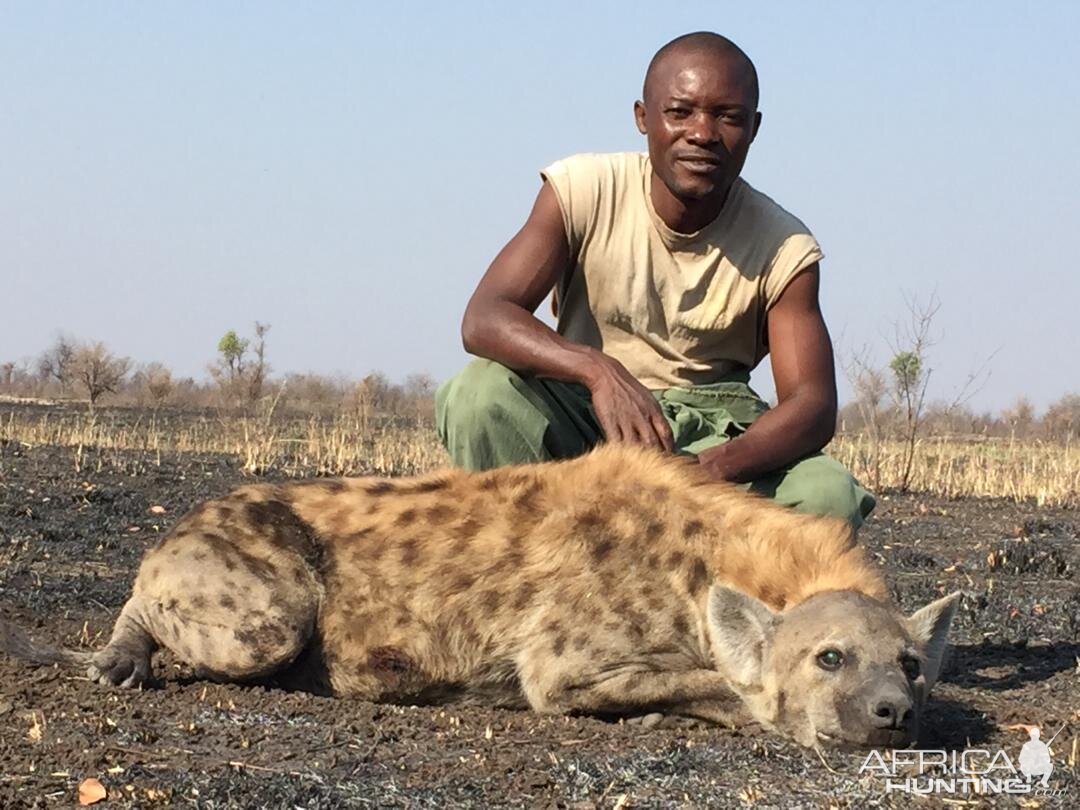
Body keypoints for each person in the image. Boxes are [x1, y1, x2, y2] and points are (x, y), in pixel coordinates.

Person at [436, 31, 875, 528]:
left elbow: (812, 405)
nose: (703, 133)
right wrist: (599, 372)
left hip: (711, 431)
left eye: (727, 116)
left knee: (827, 497)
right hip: (585, 411)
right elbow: (485, 317)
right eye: (680, 112)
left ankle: (726, 602)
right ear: (644, 118)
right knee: (479, 395)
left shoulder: (785, 246)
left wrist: (713, 468)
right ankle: (525, 577)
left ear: (753, 128)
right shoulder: (583, 190)